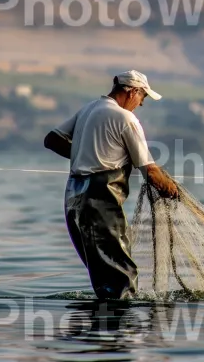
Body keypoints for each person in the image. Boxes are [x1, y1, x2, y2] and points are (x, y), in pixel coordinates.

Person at [44, 70, 179, 300]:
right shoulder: (125, 118)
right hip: (100, 201)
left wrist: (82, 155)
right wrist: (173, 190)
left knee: (101, 271)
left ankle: (100, 329)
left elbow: (51, 139)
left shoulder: (88, 109)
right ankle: (120, 332)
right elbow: (150, 170)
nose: (140, 105)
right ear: (133, 91)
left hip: (73, 199)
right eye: (142, 98)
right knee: (120, 272)